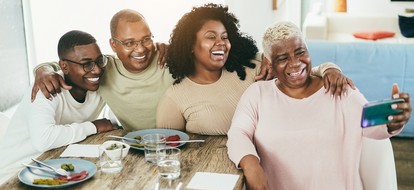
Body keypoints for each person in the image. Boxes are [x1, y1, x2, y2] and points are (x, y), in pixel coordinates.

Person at [226, 21, 412, 190]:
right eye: (282, 58)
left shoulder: (339, 90)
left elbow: (370, 126)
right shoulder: (258, 94)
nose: (295, 63)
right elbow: (238, 132)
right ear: (269, 64)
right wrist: (252, 167)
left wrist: (392, 123)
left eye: (300, 51)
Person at [31, 9, 270, 131]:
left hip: (183, 143)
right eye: (129, 42)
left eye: (146, 39)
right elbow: (70, 65)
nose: (140, 49)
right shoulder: (103, 69)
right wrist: (42, 69)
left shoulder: (168, 57)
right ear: (113, 45)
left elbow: (213, 52)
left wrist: (263, 57)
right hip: (138, 149)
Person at [156, 3, 354, 135]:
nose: (221, 43)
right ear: (190, 44)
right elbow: (167, 153)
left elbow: (300, 70)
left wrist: (330, 69)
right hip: (217, 177)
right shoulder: (175, 98)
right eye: (211, 37)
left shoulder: (254, 67)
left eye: (225, 37)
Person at [0, 30, 116, 185]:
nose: (97, 69)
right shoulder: (46, 88)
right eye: (86, 64)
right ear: (64, 66)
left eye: (99, 60)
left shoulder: (99, 82)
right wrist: (93, 126)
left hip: (53, 168)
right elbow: (43, 140)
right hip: (13, 175)